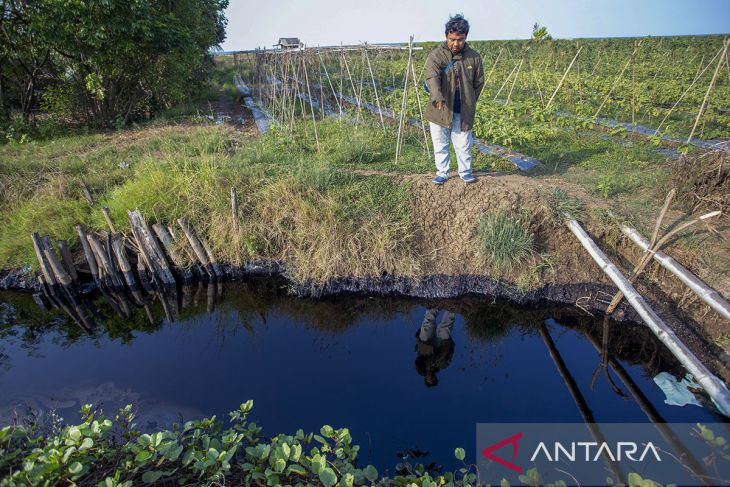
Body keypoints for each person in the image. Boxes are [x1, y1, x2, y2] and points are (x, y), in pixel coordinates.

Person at [424, 14, 485, 185]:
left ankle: (465, 172)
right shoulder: (436, 55)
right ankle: (442, 172)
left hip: (463, 108)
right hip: (439, 107)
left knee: (464, 143)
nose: (456, 43)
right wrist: (437, 96)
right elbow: (432, 77)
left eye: (460, 39)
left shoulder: (474, 57)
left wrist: (471, 100)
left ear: (466, 37)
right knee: (440, 143)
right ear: (446, 36)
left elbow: (479, 82)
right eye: (452, 39)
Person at [414, 308, 456, 387]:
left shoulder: (421, 369)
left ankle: (434, 304)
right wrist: (450, 345)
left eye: (429, 380)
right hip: (441, 344)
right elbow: (450, 353)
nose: (431, 378)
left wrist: (424, 370)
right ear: (435, 377)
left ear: (425, 379)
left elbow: (418, 361)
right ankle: (452, 306)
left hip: (425, 346)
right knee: (446, 327)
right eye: (433, 379)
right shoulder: (442, 365)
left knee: (428, 324)